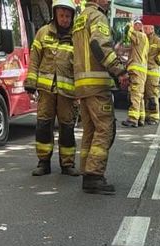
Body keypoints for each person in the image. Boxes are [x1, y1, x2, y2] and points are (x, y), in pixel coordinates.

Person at [72, 0, 127, 194]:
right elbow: (99, 44)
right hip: (96, 85)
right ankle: (94, 175)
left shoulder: (80, 18)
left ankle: (87, 172)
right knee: (105, 129)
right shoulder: (98, 16)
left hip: (82, 85)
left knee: (90, 130)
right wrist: (119, 71)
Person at [25, 0, 79, 176]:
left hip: (67, 93)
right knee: (43, 125)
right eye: (62, 15)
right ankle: (43, 162)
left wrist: (81, 91)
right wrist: (31, 84)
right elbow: (34, 60)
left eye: (68, 16)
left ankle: (67, 164)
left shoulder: (76, 37)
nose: (65, 19)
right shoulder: (43, 33)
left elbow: (80, 66)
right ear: (55, 14)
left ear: (72, 17)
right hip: (46, 91)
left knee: (67, 128)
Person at [122, 20, 149, 128]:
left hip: (137, 70)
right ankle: (141, 118)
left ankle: (133, 119)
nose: (134, 26)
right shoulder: (144, 38)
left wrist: (129, 24)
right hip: (142, 70)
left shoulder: (139, 35)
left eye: (136, 25)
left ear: (139, 26)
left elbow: (128, 32)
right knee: (140, 95)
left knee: (135, 94)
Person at [143, 25, 160, 126]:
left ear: (152, 29)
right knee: (144, 94)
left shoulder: (157, 40)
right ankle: (146, 115)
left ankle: (154, 116)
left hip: (153, 71)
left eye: (146, 28)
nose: (144, 30)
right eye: (144, 28)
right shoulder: (143, 38)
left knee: (152, 95)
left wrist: (158, 60)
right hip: (144, 70)